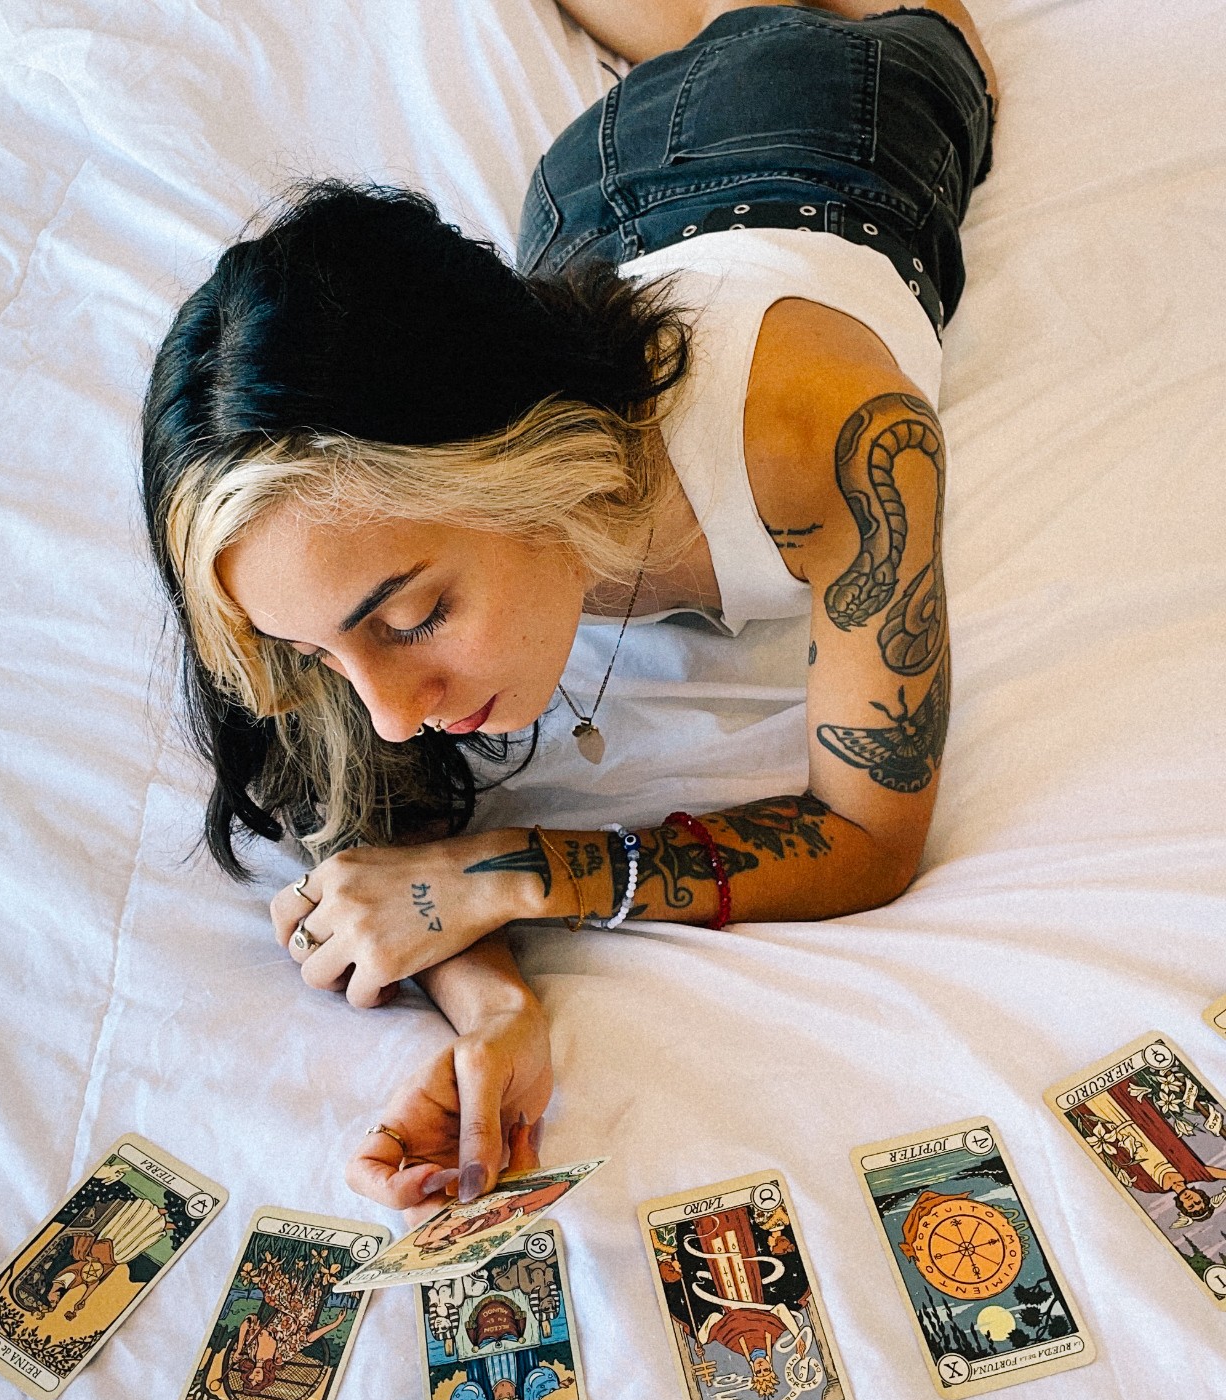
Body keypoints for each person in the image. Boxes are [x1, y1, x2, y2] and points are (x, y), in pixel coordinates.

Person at [141, 0, 998, 1214]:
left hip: (825, 131)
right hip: (586, 195)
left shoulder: (836, 439)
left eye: (413, 616)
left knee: (926, 27)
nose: (388, 717)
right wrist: (492, 1004)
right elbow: (361, 829)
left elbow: (868, 835)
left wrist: (510, 874)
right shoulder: (332, 524)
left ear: (532, 465)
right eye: (318, 654)